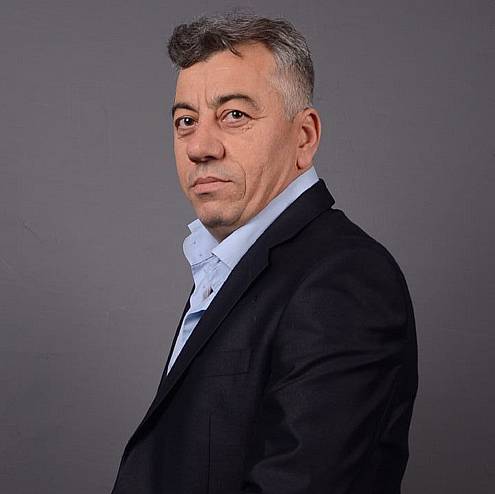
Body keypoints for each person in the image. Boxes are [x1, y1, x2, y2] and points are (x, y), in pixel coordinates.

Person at [111, 12, 418, 494]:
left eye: (234, 115)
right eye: (186, 121)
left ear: (304, 136)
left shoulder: (345, 278)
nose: (199, 147)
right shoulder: (229, 264)